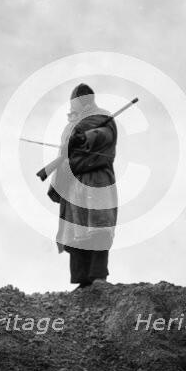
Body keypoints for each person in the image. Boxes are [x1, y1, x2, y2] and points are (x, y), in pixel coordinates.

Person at [47, 84, 118, 289]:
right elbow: (63, 155)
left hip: (96, 179)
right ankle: (83, 281)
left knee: (99, 227)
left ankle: (98, 276)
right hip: (73, 182)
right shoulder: (69, 126)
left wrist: (86, 136)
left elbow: (105, 134)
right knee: (76, 232)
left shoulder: (102, 116)